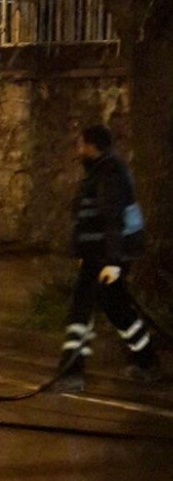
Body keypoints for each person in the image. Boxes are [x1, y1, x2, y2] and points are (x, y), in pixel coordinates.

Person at [52, 125, 162, 393]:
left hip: (104, 256)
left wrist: (113, 262)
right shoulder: (102, 170)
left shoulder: (109, 173)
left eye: (80, 145)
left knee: (81, 312)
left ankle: (71, 373)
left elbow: (112, 219)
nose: (77, 151)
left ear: (92, 146)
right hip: (99, 255)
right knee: (117, 309)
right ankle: (147, 361)